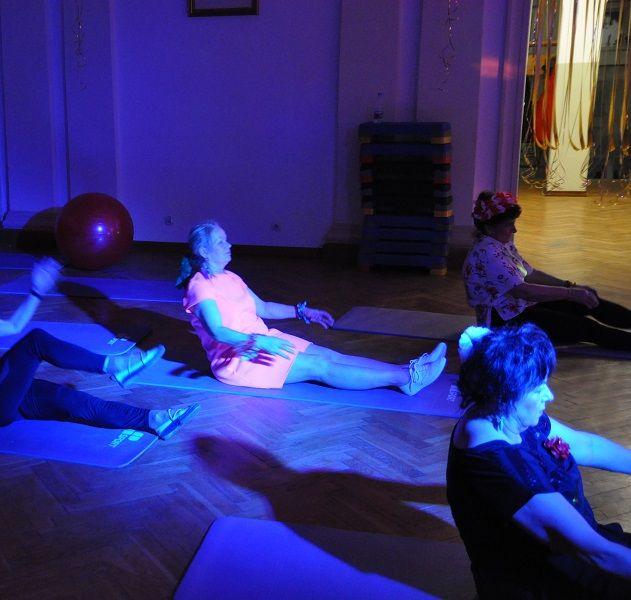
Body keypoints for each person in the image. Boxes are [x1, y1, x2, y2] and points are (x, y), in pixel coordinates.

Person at [0, 260, 198, 439]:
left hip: (0, 390)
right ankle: (116, 366)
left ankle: (154, 420)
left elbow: (13, 325)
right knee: (35, 342)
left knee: (71, 400)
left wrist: (36, 290)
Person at [447, 323, 631, 598]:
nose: (549, 395)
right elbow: (597, 553)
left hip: (580, 549)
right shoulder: (496, 464)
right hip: (543, 580)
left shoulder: (505, 414)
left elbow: (587, 446)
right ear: (505, 393)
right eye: (537, 388)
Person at [176, 221, 447, 396]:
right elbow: (218, 331)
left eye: (226, 240)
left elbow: (264, 308)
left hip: (264, 340)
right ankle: (407, 377)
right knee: (320, 366)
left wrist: (301, 312)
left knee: (330, 354)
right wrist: (258, 341)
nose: (229, 245)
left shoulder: (231, 277)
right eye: (221, 242)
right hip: (238, 359)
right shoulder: (200, 286)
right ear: (204, 251)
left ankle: (404, 369)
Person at [463, 190, 631, 349]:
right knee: (585, 327)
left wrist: (570, 286)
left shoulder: (500, 243)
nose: (514, 230)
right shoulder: (486, 253)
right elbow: (524, 291)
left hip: (521, 306)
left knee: (586, 301)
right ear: (489, 228)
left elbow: (529, 273)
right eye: (509, 225)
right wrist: (571, 293)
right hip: (505, 321)